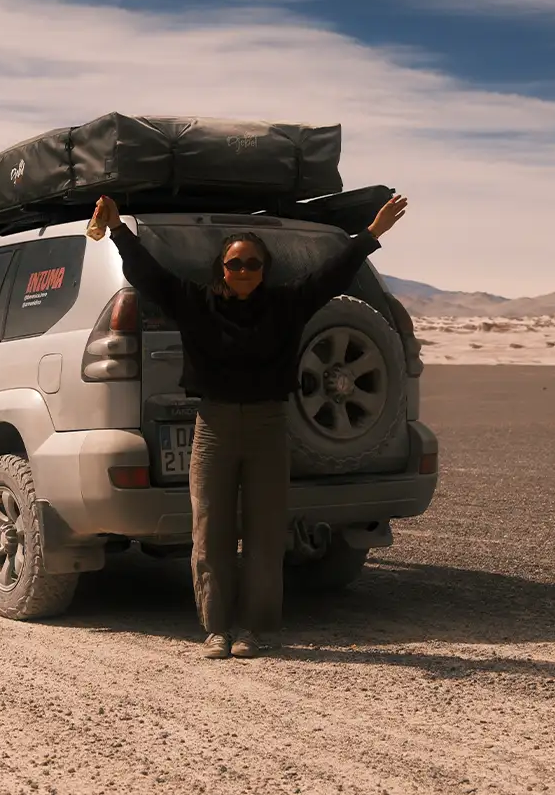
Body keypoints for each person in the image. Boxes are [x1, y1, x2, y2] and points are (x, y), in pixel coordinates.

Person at [87, 193, 408, 659]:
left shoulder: (286, 304)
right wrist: (118, 229)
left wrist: (371, 235)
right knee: (210, 530)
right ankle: (217, 628)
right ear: (221, 268)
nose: (243, 271)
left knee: (264, 532)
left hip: (267, 427)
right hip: (213, 428)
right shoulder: (195, 303)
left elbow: (332, 276)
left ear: (264, 269)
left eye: (253, 264)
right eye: (235, 263)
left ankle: (252, 629)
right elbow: (148, 273)